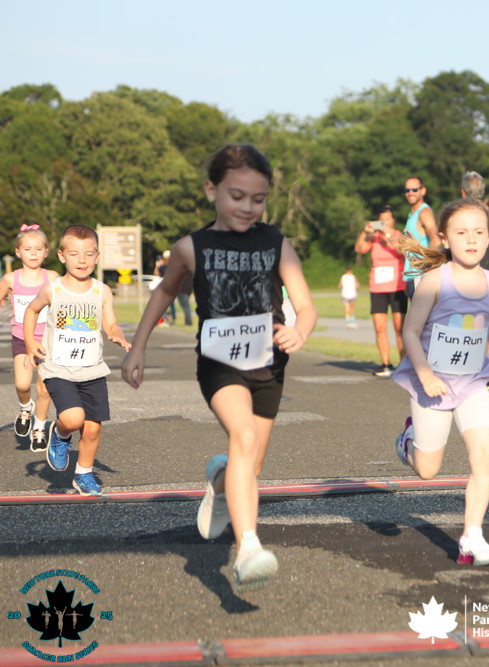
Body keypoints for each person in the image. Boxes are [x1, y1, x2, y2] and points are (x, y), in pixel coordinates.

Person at [121, 144, 317, 593]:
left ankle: (219, 480)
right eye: (237, 196)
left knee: (251, 463)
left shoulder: (276, 243)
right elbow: (164, 292)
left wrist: (300, 331)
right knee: (244, 438)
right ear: (212, 190)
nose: (248, 207)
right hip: (219, 363)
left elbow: (305, 305)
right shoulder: (191, 247)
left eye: (258, 199)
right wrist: (138, 347)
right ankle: (248, 549)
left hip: (269, 364)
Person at [391, 198, 489, 566]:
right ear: (445, 238)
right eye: (461, 233)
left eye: (478, 232)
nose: (471, 239)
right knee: (427, 471)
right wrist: (426, 375)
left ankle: (472, 536)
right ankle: (407, 440)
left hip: (473, 382)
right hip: (432, 384)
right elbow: (410, 332)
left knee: (486, 452)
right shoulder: (434, 281)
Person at [22, 225, 131, 495]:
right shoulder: (53, 289)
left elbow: (110, 323)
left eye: (88, 254)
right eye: (74, 254)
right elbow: (31, 311)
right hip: (58, 369)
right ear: (62, 256)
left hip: (92, 370)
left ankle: (83, 473)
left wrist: (117, 334)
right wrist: (30, 342)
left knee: (92, 429)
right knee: (72, 420)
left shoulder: (102, 291)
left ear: (97, 256)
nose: (82, 260)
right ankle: (60, 435)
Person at [0, 225, 60, 451]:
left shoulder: (52, 277)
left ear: (46, 252)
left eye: (38, 249)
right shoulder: (10, 279)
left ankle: (39, 428)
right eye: (27, 249)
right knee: (22, 384)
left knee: (44, 389)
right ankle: (25, 407)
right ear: (18, 252)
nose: (33, 253)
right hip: (21, 339)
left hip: (47, 341)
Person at [355, 204, 407, 377]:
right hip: (377, 287)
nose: (384, 223)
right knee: (379, 328)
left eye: (387, 220)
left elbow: (403, 252)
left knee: (399, 327)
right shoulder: (373, 237)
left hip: (397, 286)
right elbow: (359, 248)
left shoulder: (399, 235)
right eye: (381, 220)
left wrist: (389, 237)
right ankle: (386, 364)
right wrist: (364, 232)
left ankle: (404, 365)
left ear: (393, 220)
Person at [402, 176, 439, 296]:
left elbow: (436, 240)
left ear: (423, 191)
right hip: (413, 276)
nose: (410, 193)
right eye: (407, 190)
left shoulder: (424, 212)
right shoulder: (412, 214)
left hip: (421, 275)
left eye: (414, 190)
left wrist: (429, 270)